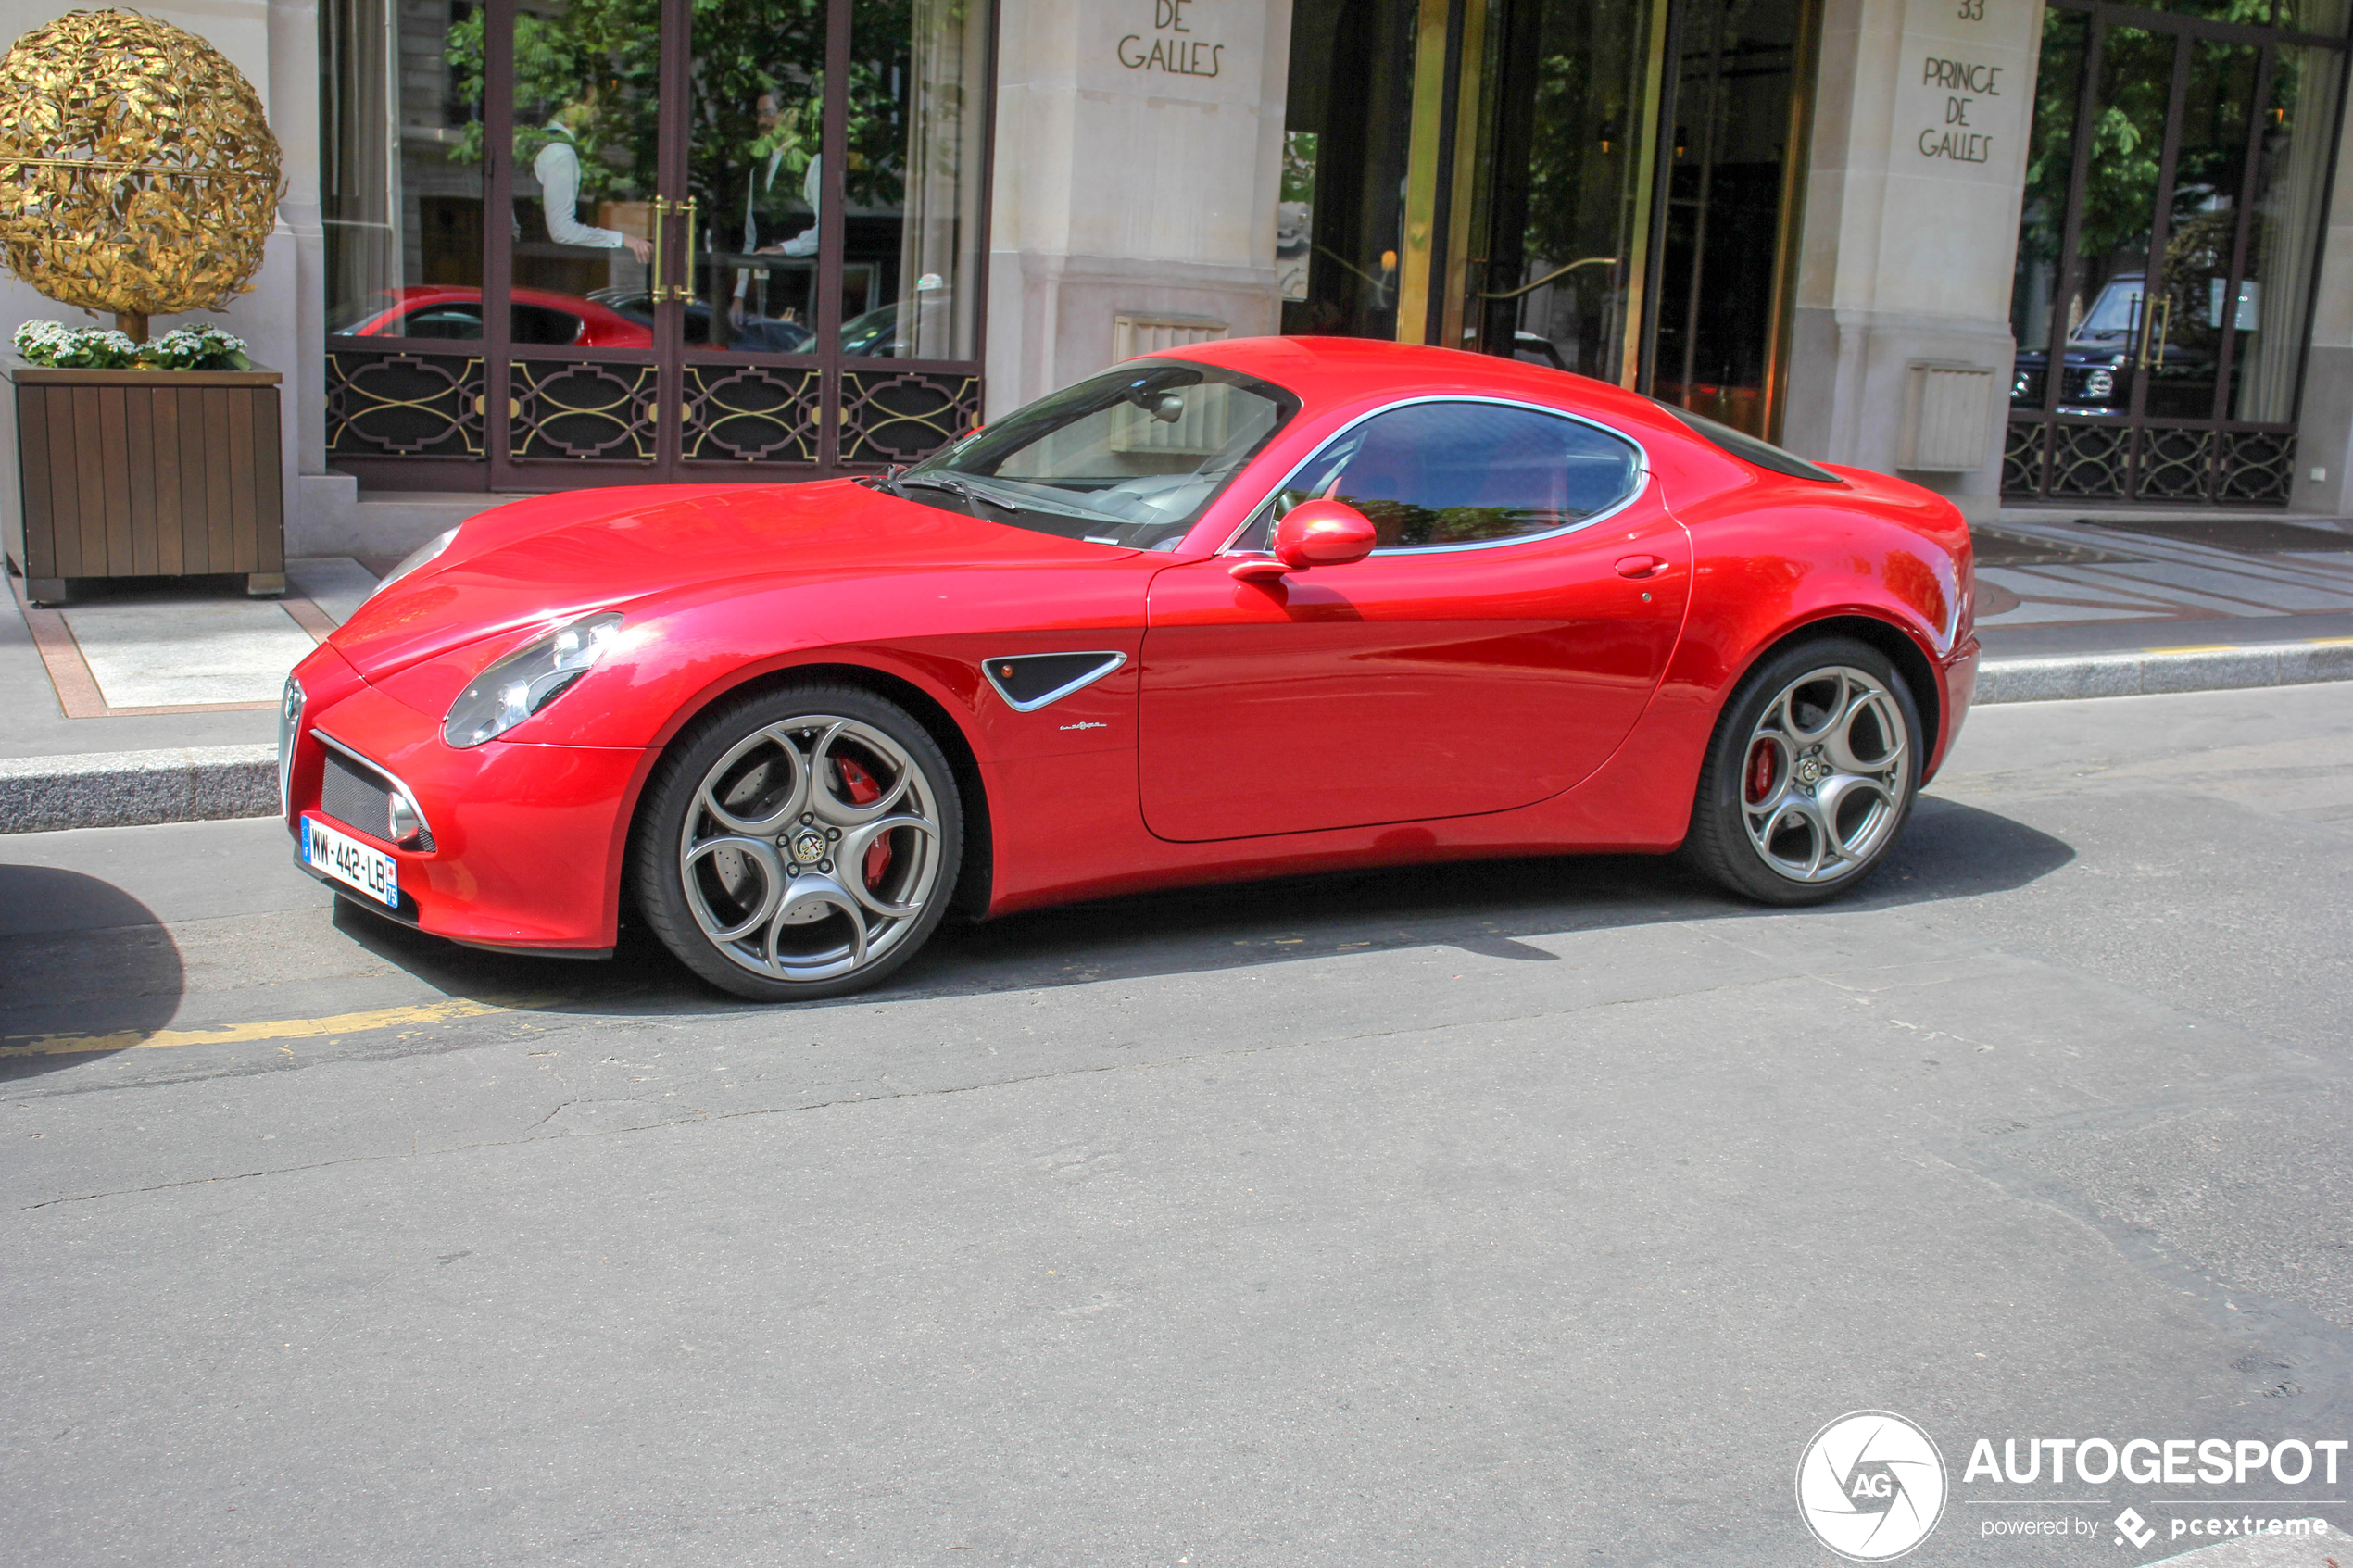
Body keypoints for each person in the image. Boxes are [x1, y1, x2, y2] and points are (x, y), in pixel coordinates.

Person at [533, 107, 653, 262]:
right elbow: (562, 231)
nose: (597, 113)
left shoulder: (550, 145)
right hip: (555, 263)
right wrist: (624, 239)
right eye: (590, 105)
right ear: (568, 109)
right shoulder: (560, 151)